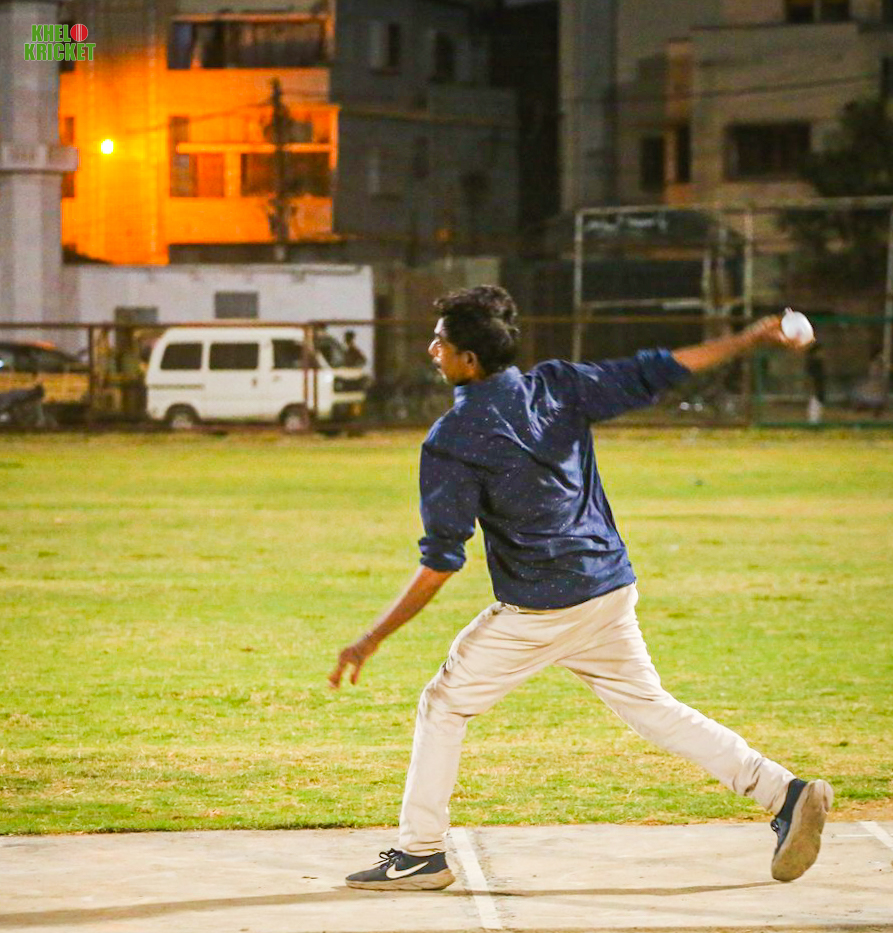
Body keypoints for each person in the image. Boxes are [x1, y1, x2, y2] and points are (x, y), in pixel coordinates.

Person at [329, 286, 833, 892]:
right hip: (607, 588)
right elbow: (658, 369)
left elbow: (441, 561)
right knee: (653, 710)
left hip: (543, 609)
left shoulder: (454, 436)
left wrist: (370, 637)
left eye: (441, 342)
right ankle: (784, 792)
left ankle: (419, 854)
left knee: (444, 704)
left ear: (469, 360)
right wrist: (750, 338)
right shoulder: (559, 385)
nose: (432, 349)